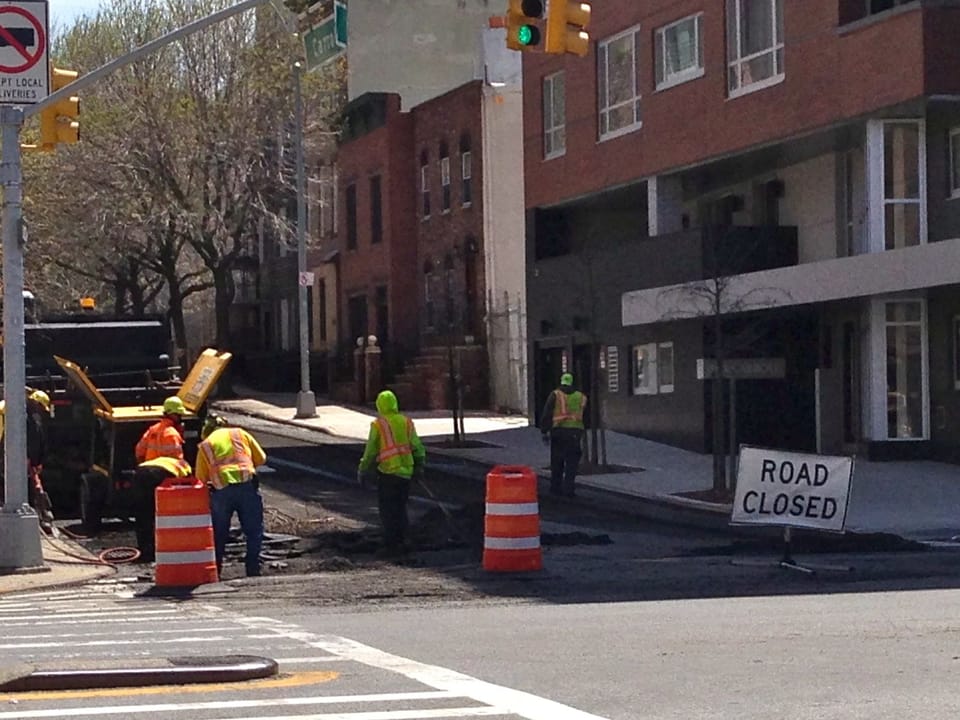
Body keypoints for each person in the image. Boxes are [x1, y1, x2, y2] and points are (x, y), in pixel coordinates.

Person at [195, 415, 267, 578]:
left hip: (221, 491)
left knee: (219, 533)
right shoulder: (240, 434)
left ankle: (216, 571)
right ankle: (253, 569)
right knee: (254, 530)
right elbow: (261, 458)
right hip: (246, 486)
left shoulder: (206, 445)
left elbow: (200, 477)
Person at [357, 389, 426, 557]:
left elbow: (371, 451)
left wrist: (363, 469)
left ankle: (391, 544)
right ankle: (404, 540)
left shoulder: (378, 425)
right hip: (405, 474)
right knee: (401, 507)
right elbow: (417, 446)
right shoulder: (407, 422)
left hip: (388, 473)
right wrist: (419, 466)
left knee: (388, 510)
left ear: (380, 405)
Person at [132, 396, 188, 560]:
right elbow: (177, 462)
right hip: (160, 477)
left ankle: (145, 551)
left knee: (143, 514)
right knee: (163, 515)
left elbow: (139, 451)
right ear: (174, 415)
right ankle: (164, 548)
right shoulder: (172, 434)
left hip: (143, 473)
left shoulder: (153, 429)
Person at [540, 372, 587, 498]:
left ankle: (555, 488)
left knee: (557, 460)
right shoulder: (580, 396)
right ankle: (569, 489)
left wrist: (544, 431)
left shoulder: (555, 394)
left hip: (558, 432)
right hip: (575, 433)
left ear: (561, 382)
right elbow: (585, 414)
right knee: (572, 462)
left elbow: (547, 413)